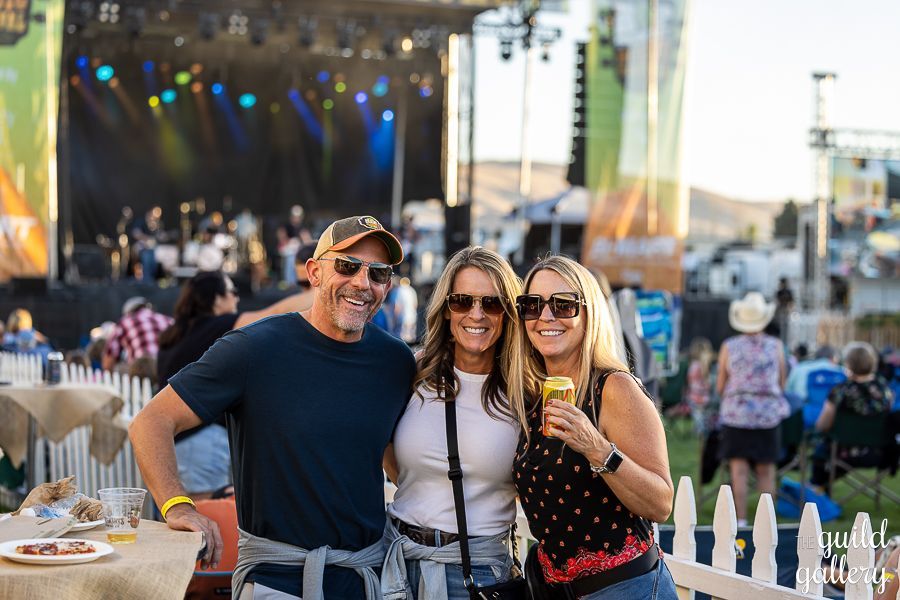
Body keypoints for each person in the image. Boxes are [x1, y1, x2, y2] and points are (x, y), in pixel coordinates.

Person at [129, 215, 415, 599]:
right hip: (275, 582)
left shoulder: (395, 361)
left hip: (365, 579)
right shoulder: (253, 349)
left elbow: (391, 457)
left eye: (378, 273)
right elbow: (151, 421)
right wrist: (178, 506)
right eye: (347, 266)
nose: (362, 283)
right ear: (314, 272)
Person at [512, 255, 676, 599]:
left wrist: (596, 448)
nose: (545, 317)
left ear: (589, 314)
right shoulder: (533, 394)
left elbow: (661, 503)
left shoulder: (614, 388)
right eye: (532, 305)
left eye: (563, 305)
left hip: (626, 588)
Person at [381, 246, 525, 599]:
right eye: (462, 300)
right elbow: (386, 447)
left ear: (507, 314)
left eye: (491, 303)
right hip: (397, 561)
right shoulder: (413, 373)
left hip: (476, 571)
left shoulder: (524, 393)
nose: (476, 314)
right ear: (446, 310)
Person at [155, 270, 315, 498]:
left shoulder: (174, 335)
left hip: (178, 440)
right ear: (217, 298)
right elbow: (276, 314)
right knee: (205, 518)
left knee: (188, 518)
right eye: (232, 292)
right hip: (201, 442)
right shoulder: (215, 326)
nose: (237, 298)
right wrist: (323, 287)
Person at [716, 291, 789, 526]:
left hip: (736, 415)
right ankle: (766, 522)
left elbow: (720, 384)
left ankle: (741, 521)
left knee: (739, 471)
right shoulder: (775, 345)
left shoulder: (729, 346)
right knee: (766, 471)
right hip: (768, 415)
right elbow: (782, 382)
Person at [811, 341, 895, 490]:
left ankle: (817, 489)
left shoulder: (840, 391)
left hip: (843, 451)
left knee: (822, 450)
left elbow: (823, 424)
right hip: (879, 451)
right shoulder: (885, 390)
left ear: (847, 363)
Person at [101, 297, 173, 373]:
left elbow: (109, 357)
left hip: (143, 373)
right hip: (170, 371)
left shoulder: (125, 322)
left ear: (128, 312)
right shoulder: (167, 319)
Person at [784, 345, 842, 412]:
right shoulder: (838, 371)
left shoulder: (799, 367)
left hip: (799, 412)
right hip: (827, 414)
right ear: (833, 358)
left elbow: (787, 391)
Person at [685, 337, 715, 434]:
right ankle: (703, 430)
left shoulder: (693, 365)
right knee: (704, 415)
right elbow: (708, 382)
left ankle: (700, 430)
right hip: (704, 395)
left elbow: (689, 380)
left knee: (698, 415)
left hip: (693, 395)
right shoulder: (705, 365)